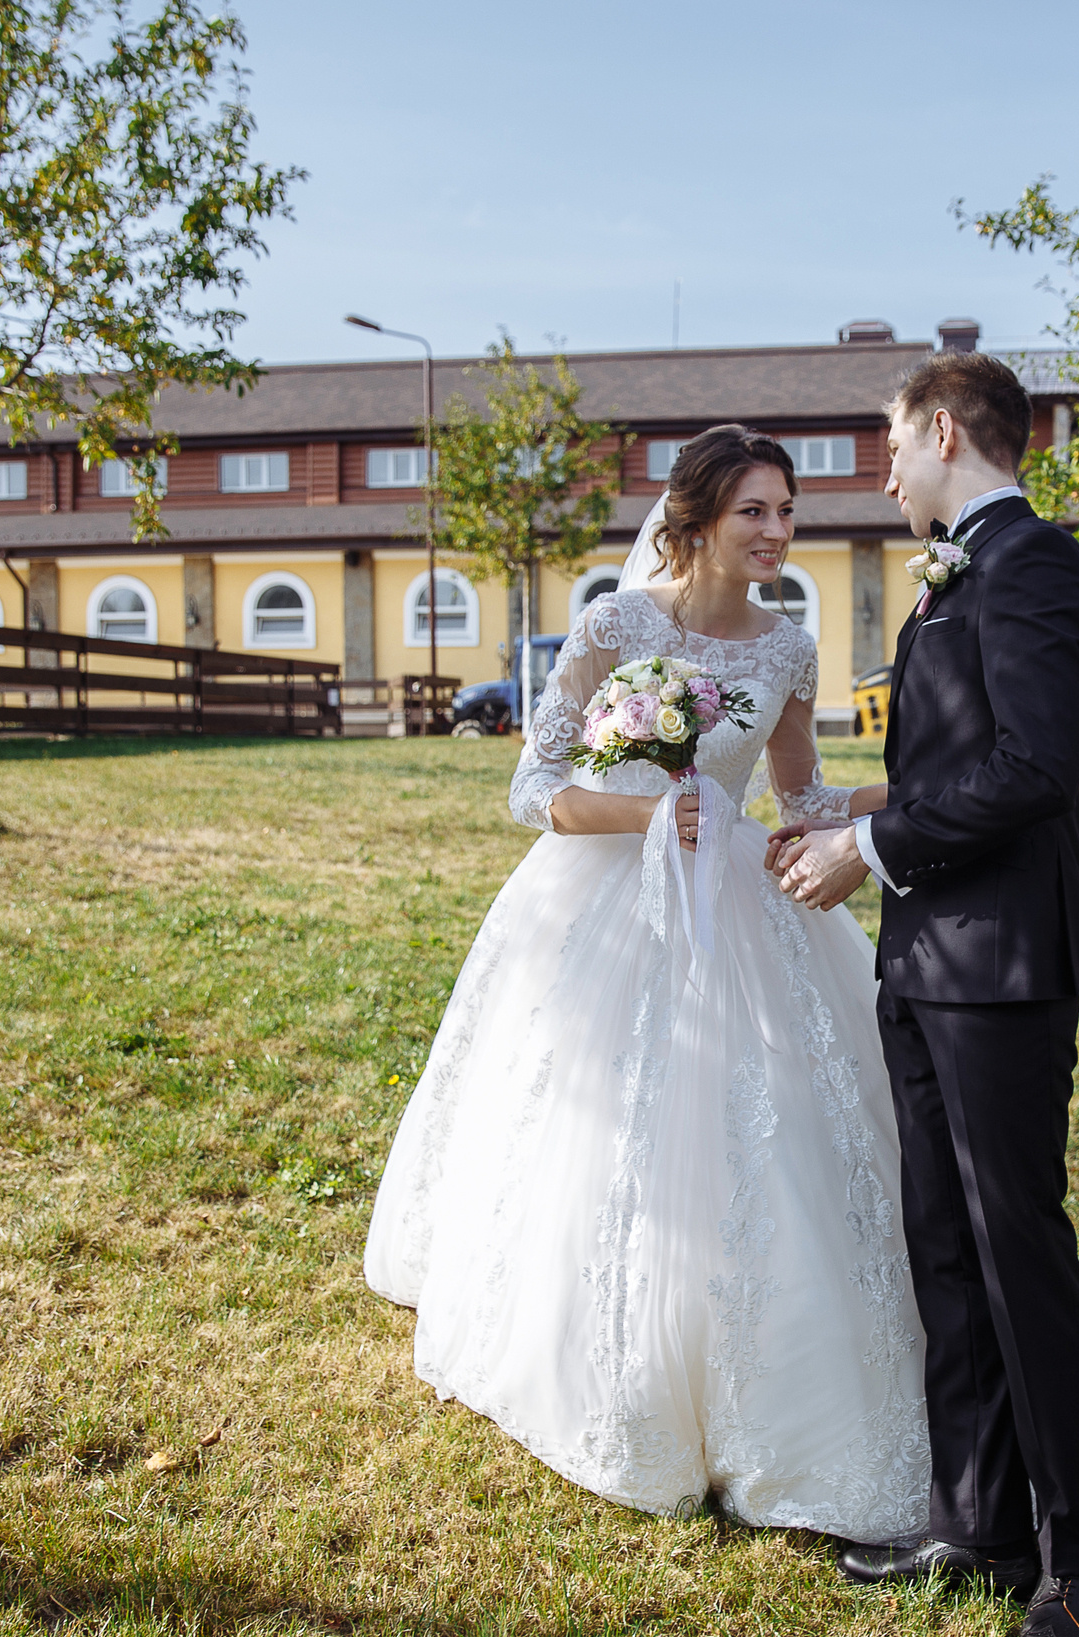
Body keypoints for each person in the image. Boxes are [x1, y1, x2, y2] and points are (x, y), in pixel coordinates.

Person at [361, 426, 930, 1547]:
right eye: (755, 512)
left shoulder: (788, 652)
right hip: (605, 895)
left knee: (772, 1122)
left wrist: (911, 797)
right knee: (595, 1123)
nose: (777, 532)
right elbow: (535, 789)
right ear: (697, 518)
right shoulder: (613, 626)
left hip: (730, 901)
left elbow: (801, 797)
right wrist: (646, 814)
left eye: (786, 511)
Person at [771, 353, 1079, 1637]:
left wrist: (874, 849)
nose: (887, 472)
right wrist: (849, 812)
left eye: (893, 448)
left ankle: (1073, 1557)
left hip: (1000, 969)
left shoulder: (1031, 564)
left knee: (1018, 1251)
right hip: (923, 962)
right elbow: (956, 761)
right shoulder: (962, 572)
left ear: (949, 431)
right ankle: (976, 1521)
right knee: (944, 1249)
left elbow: (1034, 764)